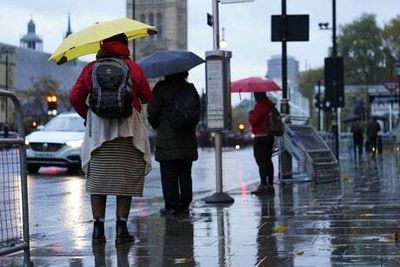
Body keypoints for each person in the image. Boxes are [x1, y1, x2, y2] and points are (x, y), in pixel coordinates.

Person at [69, 33, 152, 245]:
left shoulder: (91, 68)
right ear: (125, 45)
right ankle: (121, 230)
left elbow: (75, 96)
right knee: (124, 180)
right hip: (128, 129)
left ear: (103, 43)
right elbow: (147, 96)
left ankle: (98, 230)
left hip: (99, 131)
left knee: (99, 181)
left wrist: (88, 115)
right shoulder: (133, 68)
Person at [147, 71, 200, 216]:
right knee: (185, 174)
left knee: (169, 175)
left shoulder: (161, 88)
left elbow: (153, 112)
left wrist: (157, 124)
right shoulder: (190, 88)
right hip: (187, 139)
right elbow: (197, 111)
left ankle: (171, 206)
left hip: (167, 139)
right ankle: (185, 205)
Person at [248, 92, 275, 195]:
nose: (255, 97)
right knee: (268, 160)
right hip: (269, 136)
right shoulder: (269, 105)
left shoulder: (260, 106)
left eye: (255, 95)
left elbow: (254, 121)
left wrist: (250, 115)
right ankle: (270, 184)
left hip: (261, 137)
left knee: (261, 160)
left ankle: (263, 185)